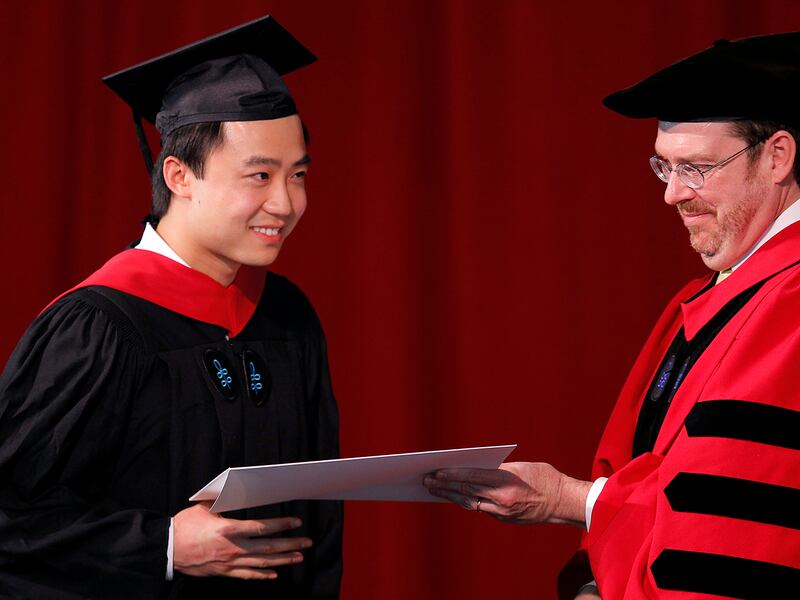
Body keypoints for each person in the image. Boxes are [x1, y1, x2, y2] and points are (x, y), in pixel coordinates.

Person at [424, 32, 800, 598]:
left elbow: (733, 535)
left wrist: (568, 500)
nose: (673, 194)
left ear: (777, 157)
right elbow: (636, 470)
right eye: (663, 167)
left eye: (696, 168)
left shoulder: (790, 305)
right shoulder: (702, 301)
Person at [0, 16, 342, 599]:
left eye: (298, 175)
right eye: (259, 175)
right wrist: (159, 545)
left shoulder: (285, 315)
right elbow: (11, 521)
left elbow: (318, 528)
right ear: (179, 175)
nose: (285, 203)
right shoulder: (100, 327)